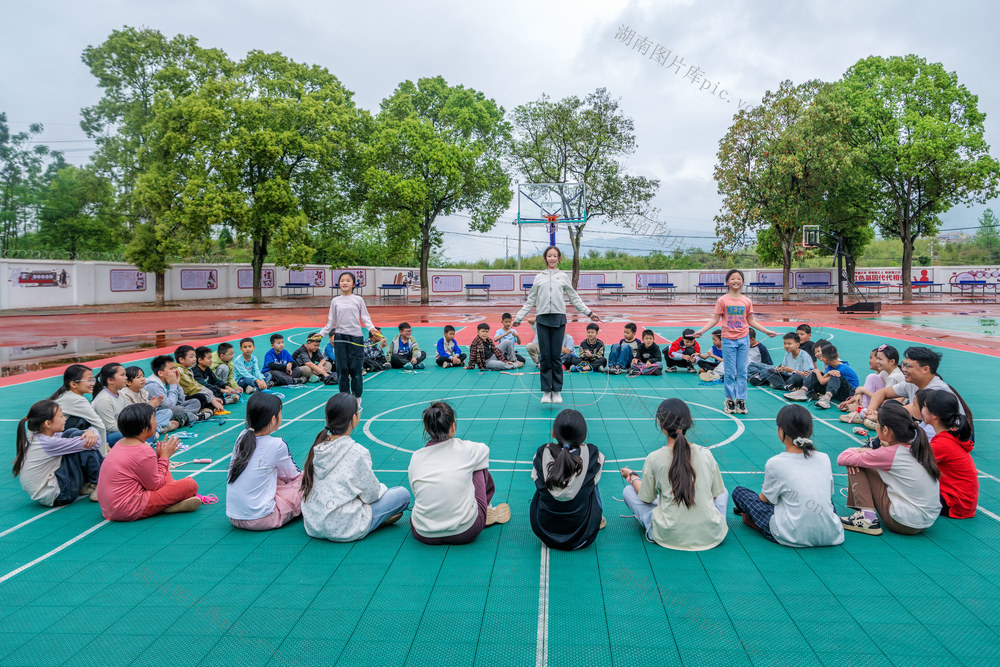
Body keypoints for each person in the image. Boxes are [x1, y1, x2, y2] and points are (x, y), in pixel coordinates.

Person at [619, 398, 728, 550]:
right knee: (723, 491)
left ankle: (658, 523)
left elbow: (646, 497)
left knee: (629, 491)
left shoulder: (654, 458)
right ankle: (709, 523)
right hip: (711, 534)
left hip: (668, 535)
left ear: (660, 424)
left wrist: (632, 478)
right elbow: (716, 495)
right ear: (689, 423)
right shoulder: (706, 454)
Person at [301, 394, 410, 541]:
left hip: (314, 524)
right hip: (345, 525)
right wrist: (381, 489)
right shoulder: (356, 452)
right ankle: (378, 520)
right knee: (402, 495)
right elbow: (371, 494)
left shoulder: (318, 448)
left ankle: (380, 518)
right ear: (354, 419)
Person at [731, 405, 844, 547]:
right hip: (832, 533)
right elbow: (828, 494)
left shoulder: (775, 463)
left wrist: (773, 491)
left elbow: (763, 499)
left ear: (781, 431)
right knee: (823, 500)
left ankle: (753, 522)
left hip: (792, 535)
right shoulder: (824, 458)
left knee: (740, 493)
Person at [408, 402, 510, 545]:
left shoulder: (416, 457)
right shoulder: (467, 449)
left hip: (423, 532)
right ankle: (486, 508)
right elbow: (485, 450)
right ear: (453, 427)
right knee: (479, 463)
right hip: (465, 531)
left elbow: (415, 491)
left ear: (426, 428)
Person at [837, 401, 941, 535]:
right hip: (926, 521)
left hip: (904, 522)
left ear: (885, 430)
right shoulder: (916, 447)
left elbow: (842, 458)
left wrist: (858, 450)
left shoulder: (891, 453)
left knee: (856, 463)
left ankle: (867, 519)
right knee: (864, 461)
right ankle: (865, 513)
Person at [513, 246, 600, 405]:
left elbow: (575, 298)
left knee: (556, 357)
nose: (552, 258)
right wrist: (519, 317)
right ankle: (546, 391)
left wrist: (589, 313)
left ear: (559, 258)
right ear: (545, 258)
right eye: (549, 256)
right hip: (543, 320)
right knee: (545, 356)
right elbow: (531, 300)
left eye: (555, 256)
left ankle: (557, 391)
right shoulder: (539, 277)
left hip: (559, 319)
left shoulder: (563, 277)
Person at [693, 269, 778, 415]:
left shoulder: (746, 301)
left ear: (742, 282)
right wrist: (702, 331)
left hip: (743, 340)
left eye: (739, 278)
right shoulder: (722, 300)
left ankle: (741, 400)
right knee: (730, 372)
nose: (736, 281)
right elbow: (715, 319)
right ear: (727, 282)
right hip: (728, 340)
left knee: (743, 371)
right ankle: (729, 399)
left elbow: (750, 320)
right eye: (733, 278)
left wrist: (766, 331)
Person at [96, 404, 203, 520]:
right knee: (190, 485)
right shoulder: (143, 450)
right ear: (143, 428)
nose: (156, 423)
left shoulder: (120, 443)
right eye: (154, 419)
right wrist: (164, 457)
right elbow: (155, 485)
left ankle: (170, 501)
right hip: (128, 508)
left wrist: (158, 458)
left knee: (162, 468)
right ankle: (169, 503)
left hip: (109, 508)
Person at [529, 409, 605, 550]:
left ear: (553, 434)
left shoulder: (540, 454)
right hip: (582, 537)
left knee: (540, 481)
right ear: (584, 436)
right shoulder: (594, 456)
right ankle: (599, 518)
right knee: (593, 481)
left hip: (545, 534)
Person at [226, 393, 303, 531]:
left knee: (277, 479)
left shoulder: (242, 436)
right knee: (305, 481)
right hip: (262, 518)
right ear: (273, 419)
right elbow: (293, 475)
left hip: (234, 516)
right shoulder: (277, 444)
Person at [865, 346, 973, 440]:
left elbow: (908, 410)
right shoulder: (912, 382)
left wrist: (880, 418)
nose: (904, 369)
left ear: (925, 369)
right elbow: (882, 392)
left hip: (954, 436)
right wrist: (871, 410)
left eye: (908, 366)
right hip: (931, 429)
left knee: (894, 423)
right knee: (891, 407)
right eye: (903, 365)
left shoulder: (936, 390)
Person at [13, 400, 102, 506]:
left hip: (48, 492)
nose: (65, 419)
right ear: (48, 423)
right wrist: (92, 430)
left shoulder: (35, 436)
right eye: (61, 416)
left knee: (72, 433)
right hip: (60, 495)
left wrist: (89, 432)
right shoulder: (48, 443)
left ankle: (87, 484)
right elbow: (95, 443)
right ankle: (100, 484)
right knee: (80, 437)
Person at [319, 271, 383, 399]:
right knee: (342, 370)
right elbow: (331, 321)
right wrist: (321, 334)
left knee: (356, 369)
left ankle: (357, 397)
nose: (344, 283)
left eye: (348, 280)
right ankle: (344, 397)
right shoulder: (335, 301)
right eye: (342, 280)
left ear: (353, 284)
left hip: (356, 337)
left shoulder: (358, 299)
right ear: (339, 283)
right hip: (340, 338)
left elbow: (365, 317)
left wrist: (372, 328)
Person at [915, 389, 978, 519]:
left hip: (955, 504)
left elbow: (914, 463)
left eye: (925, 407)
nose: (922, 409)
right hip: (962, 501)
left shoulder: (942, 443)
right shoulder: (949, 436)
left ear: (935, 415)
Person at [49, 364, 108, 453]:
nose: (93, 383)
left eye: (93, 379)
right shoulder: (76, 400)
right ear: (73, 384)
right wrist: (103, 454)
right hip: (55, 442)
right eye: (89, 380)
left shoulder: (63, 394)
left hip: (52, 440)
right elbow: (100, 426)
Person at [839, 345, 903, 421]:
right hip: (882, 406)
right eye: (877, 359)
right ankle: (863, 411)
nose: (877, 362)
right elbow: (863, 387)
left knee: (862, 411)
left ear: (892, 361)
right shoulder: (885, 372)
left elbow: (884, 402)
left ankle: (863, 413)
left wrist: (863, 390)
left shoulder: (894, 377)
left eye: (880, 359)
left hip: (892, 410)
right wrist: (858, 394)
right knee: (871, 377)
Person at [145, 355, 208, 428]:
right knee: (178, 409)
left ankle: (182, 418)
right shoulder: (154, 385)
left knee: (195, 402)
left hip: (171, 408)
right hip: (159, 413)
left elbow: (181, 401)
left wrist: (177, 384)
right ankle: (194, 417)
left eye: (174, 368)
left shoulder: (167, 379)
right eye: (171, 369)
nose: (175, 371)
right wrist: (173, 385)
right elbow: (169, 406)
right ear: (161, 373)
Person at [174, 345, 225, 412]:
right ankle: (201, 412)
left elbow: (197, 385)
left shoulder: (187, 370)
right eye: (191, 357)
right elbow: (191, 388)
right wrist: (212, 399)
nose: (194, 359)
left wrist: (212, 397)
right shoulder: (179, 370)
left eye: (195, 356)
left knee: (207, 394)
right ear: (181, 359)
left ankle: (209, 408)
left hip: (187, 396)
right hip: (179, 401)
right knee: (200, 397)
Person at [91, 363, 127, 446]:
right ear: (110, 380)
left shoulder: (121, 394)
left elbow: (128, 415)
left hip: (120, 429)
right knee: (129, 434)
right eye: (122, 375)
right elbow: (110, 427)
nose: (126, 377)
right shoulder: (104, 400)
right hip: (105, 436)